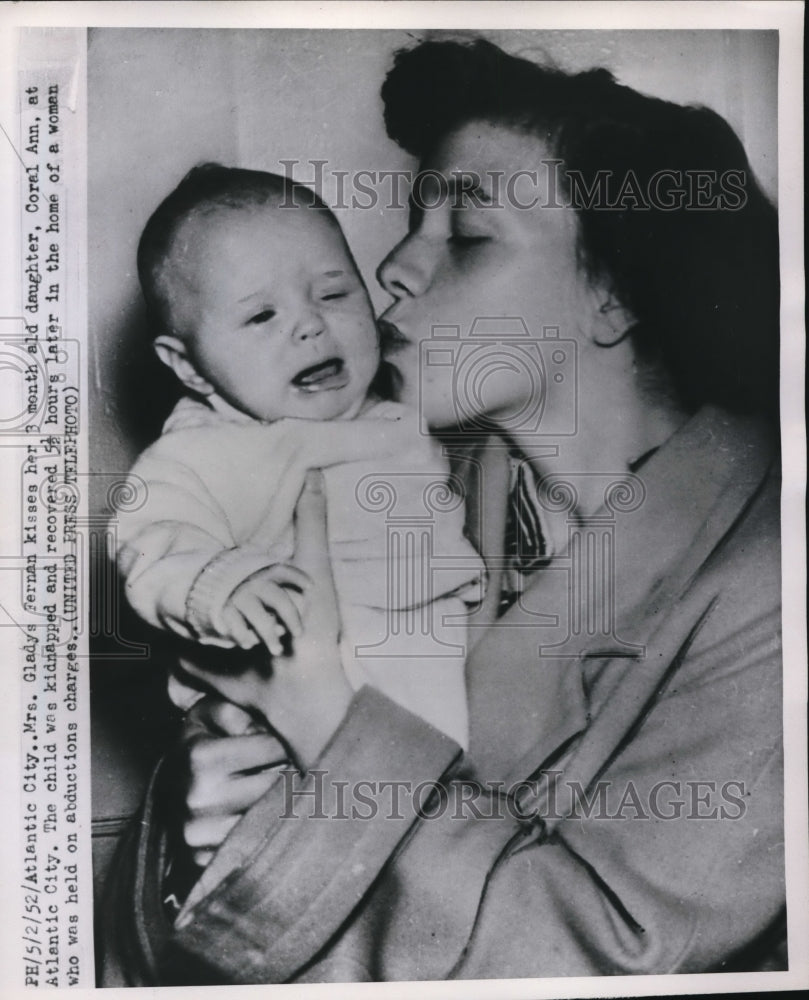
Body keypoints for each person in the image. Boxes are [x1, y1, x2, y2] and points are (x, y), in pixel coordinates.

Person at [101, 38, 784, 985]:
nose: (391, 273)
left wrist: (332, 728)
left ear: (611, 291)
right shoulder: (395, 485)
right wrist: (195, 824)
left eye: (463, 237)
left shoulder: (769, 586)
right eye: (408, 228)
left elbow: (599, 955)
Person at [114, 163, 483, 751]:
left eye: (334, 294)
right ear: (187, 367)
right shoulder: (205, 451)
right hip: (284, 720)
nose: (311, 325)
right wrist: (223, 586)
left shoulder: (403, 415)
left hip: (428, 683)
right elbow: (151, 539)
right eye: (262, 316)